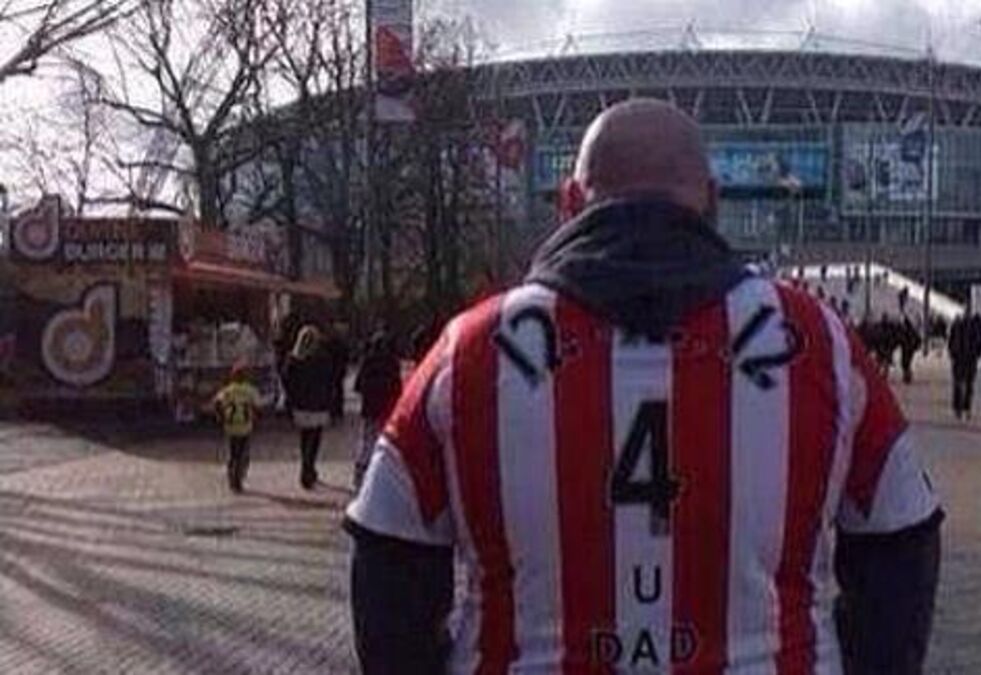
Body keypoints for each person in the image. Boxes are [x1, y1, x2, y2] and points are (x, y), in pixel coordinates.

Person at [344, 99, 942, 674]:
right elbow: (901, 545)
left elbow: (389, 567)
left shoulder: (467, 352)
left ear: (568, 201)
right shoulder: (821, 344)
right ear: (712, 201)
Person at [283, 325, 335, 490]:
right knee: (315, 437)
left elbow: (286, 380)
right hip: (319, 403)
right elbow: (330, 380)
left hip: (300, 404)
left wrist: (292, 398)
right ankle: (309, 467)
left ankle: (307, 466)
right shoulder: (323, 359)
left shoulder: (293, 359)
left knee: (305, 437)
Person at [353, 331, 403, 490]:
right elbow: (397, 387)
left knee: (366, 440)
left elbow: (358, 385)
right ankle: (379, 473)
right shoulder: (392, 363)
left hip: (369, 407)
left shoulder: (368, 361)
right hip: (386, 408)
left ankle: (360, 472)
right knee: (383, 440)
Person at [212, 365, 265, 493]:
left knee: (232, 453)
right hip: (246, 427)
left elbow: (217, 403)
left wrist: (221, 417)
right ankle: (239, 477)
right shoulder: (251, 390)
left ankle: (232, 476)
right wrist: (257, 419)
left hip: (230, 427)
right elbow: (258, 407)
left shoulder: (228, 390)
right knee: (243, 453)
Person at [948, 313, 981, 420]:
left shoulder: (961, 326)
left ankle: (962, 408)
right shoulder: (960, 326)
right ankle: (963, 408)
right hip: (964, 359)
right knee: (964, 384)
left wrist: (953, 353)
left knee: (963, 384)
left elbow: (951, 342)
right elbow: (951, 341)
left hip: (965, 359)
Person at [899, 314, 921, 385]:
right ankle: (907, 375)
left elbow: (917, 339)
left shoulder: (909, 331)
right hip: (907, 348)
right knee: (905, 363)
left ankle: (907, 375)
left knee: (905, 362)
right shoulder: (906, 331)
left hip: (908, 349)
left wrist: (914, 346)